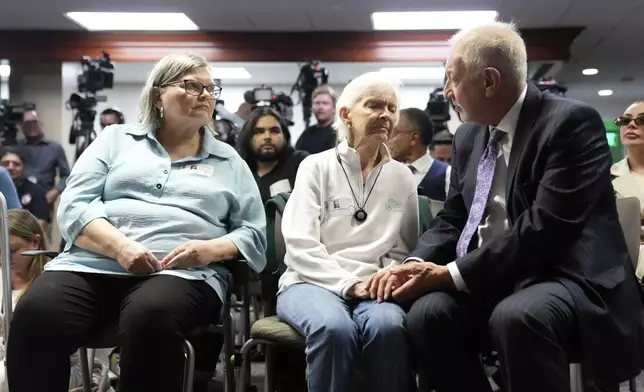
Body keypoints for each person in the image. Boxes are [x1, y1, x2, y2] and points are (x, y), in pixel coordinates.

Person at [367, 22, 644, 392]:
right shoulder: (468, 135)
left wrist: (450, 273)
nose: (447, 91)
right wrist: (416, 264)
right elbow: (455, 216)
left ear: (489, 81)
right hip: (494, 274)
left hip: (566, 275)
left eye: (452, 79)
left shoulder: (570, 123)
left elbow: (545, 228)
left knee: (518, 316)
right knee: (428, 314)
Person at [6, 52, 267, 392]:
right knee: (35, 313)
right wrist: (120, 247)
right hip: (90, 264)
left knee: (150, 315)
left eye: (210, 88)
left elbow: (253, 232)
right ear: (158, 95)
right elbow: (74, 203)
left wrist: (207, 251)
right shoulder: (116, 139)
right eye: (192, 86)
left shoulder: (229, 160)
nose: (205, 95)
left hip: (181, 273)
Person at [277, 71, 419, 392]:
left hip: (375, 285)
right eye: (374, 106)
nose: (386, 115)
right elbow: (300, 245)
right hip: (309, 282)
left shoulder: (402, 176)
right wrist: (349, 284)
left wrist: (386, 278)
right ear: (346, 115)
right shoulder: (315, 166)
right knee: (334, 329)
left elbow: (406, 248)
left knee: (389, 328)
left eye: (392, 108)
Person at [0, 210, 83, 391]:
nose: (4, 257)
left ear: (36, 242)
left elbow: (75, 366)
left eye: (11, 250)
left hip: (56, 375)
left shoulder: (52, 290)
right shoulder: (2, 280)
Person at [237, 106, 308, 203]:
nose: (267, 137)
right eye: (259, 132)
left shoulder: (301, 163)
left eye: (274, 131)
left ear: (285, 136)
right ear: (248, 137)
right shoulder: (239, 169)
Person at [388, 107, 450, 216]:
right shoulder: (387, 173)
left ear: (413, 138)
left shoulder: (447, 175)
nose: (388, 140)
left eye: (394, 133)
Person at [611, 99, 644, 281]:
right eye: (625, 120)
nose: (631, 125)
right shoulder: (604, 179)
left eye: (642, 120)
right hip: (626, 276)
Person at [17, 110, 70, 205]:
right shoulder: (17, 147)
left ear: (40, 124)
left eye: (34, 122)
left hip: (45, 198)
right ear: (22, 127)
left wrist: (55, 192)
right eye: (27, 123)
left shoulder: (55, 148)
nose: (31, 126)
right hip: (19, 198)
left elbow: (66, 175)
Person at [1, 147, 51, 226]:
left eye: (16, 164)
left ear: (24, 168)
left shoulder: (36, 190)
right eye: (5, 164)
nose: (10, 167)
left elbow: (40, 223)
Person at [295, 86, 337, 154]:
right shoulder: (307, 132)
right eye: (317, 103)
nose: (320, 107)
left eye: (325, 103)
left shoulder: (339, 134)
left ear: (334, 108)